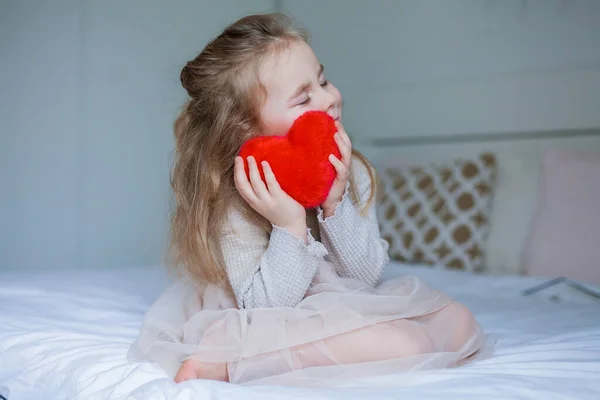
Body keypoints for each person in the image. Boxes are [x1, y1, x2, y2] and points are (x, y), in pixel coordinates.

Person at [128, 12, 485, 387]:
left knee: (459, 323)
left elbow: (364, 278)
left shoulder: (353, 171)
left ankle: (338, 345)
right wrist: (289, 225)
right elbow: (267, 307)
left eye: (323, 80)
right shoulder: (240, 194)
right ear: (248, 129)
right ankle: (231, 361)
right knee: (408, 345)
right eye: (303, 98)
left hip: (340, 298)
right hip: (261, 313)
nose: (329, 98)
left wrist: (336, 204)